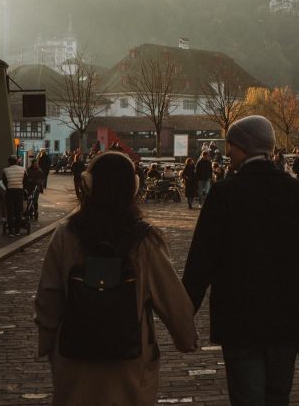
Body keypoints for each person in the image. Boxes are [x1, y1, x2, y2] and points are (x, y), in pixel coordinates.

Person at [183, 115, 299, 406]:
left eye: (231, 146)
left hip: (240, 319)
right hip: (287, 318)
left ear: (243, 147)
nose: (227, 153)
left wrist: (183, 314)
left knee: (247, 398)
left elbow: (201, 262)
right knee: (277, 397)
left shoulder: (224, 194)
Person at [34, 152, 198, 404]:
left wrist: (47, 344)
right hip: (129, 359)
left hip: (75, 357)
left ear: (87, 185)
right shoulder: (145, 240)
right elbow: (172, 299)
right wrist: (185, 338)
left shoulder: (66, 235)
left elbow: (49, 296)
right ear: (133, 188)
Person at [2, 155, 27, 237]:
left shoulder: (5, 170)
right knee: (18, 211)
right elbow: (25, 181)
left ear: (9, 162)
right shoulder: (23, 169)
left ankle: (11, 231)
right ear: (17, 161)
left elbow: (4, 181)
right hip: (19, 191)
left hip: (10, 191)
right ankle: (17, 230)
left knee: (10, 211)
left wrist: (9, 186)